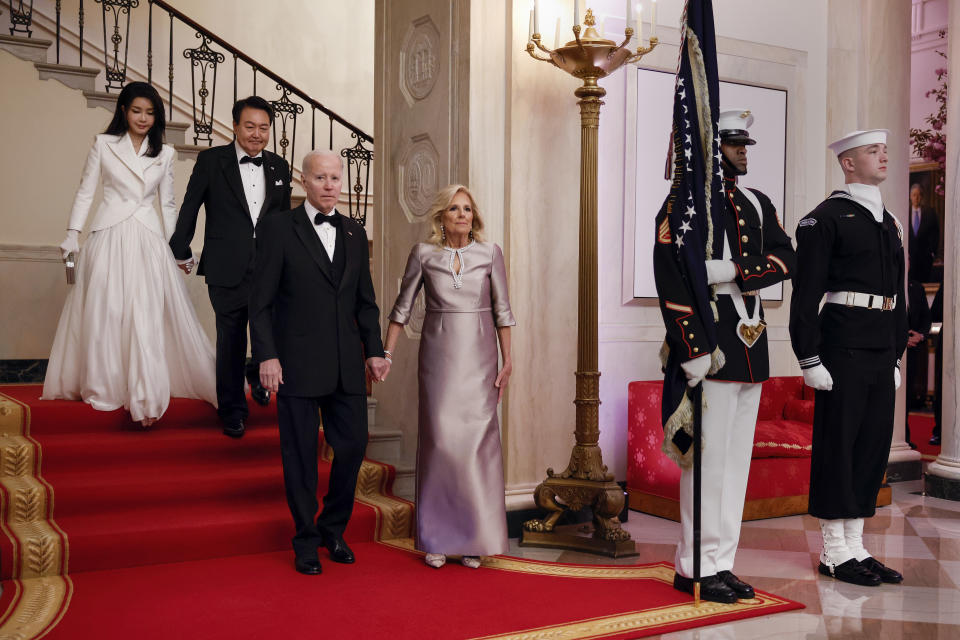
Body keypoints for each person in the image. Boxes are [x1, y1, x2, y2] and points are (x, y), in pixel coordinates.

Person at [654, 109, 796, 604]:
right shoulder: (687, 203)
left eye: (745, 145)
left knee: (735, 468)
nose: (743, 152)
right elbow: (670, 274)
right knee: (707, 467)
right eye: (735, 144)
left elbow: (786, 259)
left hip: (751, 349)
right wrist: (692, 346)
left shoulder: (758, 202)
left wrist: (731, 270)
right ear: (713, 148)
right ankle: (694, 566)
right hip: (711, 348)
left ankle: (722, 563)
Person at [43, 82, 216, 426]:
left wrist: (178, 250)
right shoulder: (104, 144)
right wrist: (72, 234)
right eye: (137, 110)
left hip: (148, 238)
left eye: (150, 112)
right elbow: (85, 191)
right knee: (107, 308)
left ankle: (145, 389)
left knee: (145, 311)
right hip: (108, 235)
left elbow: (167, 204)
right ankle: (106, 383)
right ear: (123, 110)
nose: (143, 118)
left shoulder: (164, 153)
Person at [249, 150, 389, 576]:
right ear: (304, 182)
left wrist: (375, 350)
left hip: (347, 364)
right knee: (300, 457)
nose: (330, 185)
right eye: (320, 178)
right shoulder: (277, 228)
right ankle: (306, 538)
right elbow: (261, 301)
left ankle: (333, 527)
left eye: (335, 177)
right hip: (295, 363)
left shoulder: (352, 231)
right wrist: (266, 356)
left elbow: (365, 303)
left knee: (351, 446)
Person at [789, 129, 907, 587]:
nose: (883, 156)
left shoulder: (889, 220)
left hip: (880, 347)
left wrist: (896, 356)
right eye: (872, 151)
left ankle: (856, 546)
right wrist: (809, 358)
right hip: (843, 347)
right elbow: (806, 296)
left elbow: (897, 293)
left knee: (872, 448)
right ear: (848, 163)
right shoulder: (825, 219)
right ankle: (833, 552)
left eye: (883, 150)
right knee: (839, 446)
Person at [383, 185, 515, 570]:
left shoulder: (491, 254)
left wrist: (508, 362)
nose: (462, 215)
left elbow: (504, 312)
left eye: (468, 209)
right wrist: (386, 352)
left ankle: (475, 538)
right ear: (441, 216)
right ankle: (436, 539)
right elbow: (401, 308)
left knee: (477, 444)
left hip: (480, 359)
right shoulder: (424, 255)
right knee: (440, 441)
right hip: (439, 359)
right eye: (454, 209)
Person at [169, 96, 291, 438]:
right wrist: (180, 248)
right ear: (235, 126)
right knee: (231, 339)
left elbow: (283, 222)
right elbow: (190, 206)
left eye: (263, 128)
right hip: (226, 267)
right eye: (249, 127)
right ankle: (233, 411)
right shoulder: (211, 161)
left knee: (270, 333)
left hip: (270, 268)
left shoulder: (279, 167)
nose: (256, 134)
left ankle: (257, 371)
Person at [908, 184, 939, 283]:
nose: (916, 198)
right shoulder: (905, 212)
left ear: (922, 197)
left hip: (925, 260)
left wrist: (932, 253)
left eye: (919, 195)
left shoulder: (930, 212)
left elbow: (935, 234)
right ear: (910, 196)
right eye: (914, 195)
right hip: (909, 260)